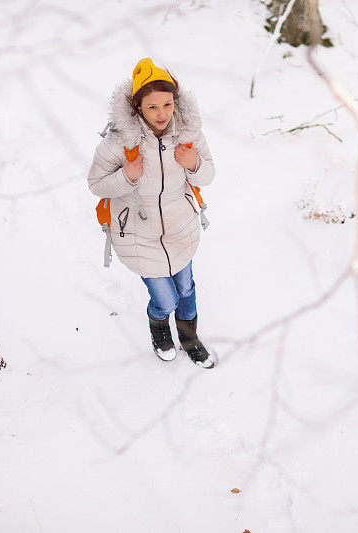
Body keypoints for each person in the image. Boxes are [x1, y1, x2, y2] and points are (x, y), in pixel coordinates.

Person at [87, 58, 216, 368]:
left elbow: (208, 174)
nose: (162, 114)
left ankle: (189, 338)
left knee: (186, 287)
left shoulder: (188, 134)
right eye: (153, 107)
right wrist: (127, 176)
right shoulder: (119, 142)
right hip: (138, 233)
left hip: (179, 226)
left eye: (168, 104)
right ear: (137, 108)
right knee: (166, 299)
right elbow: (96, 185)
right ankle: (159, 328)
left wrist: (192, 164)